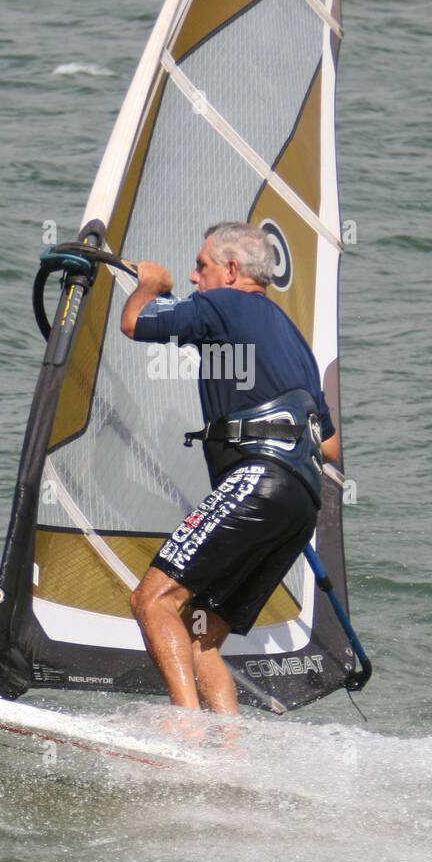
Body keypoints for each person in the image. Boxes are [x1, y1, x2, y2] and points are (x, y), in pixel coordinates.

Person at [120, 222, 340, 716]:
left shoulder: (222, 304)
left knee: (152, 601)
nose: (195, 278)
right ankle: (228, 752)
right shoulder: (294, 340)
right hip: (299, 501)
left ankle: (186, 731)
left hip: (259, 480)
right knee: (202, 633)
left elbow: (135, 324)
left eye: (201, 266)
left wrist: (150, 287)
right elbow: (329, 446)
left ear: (232, 270)